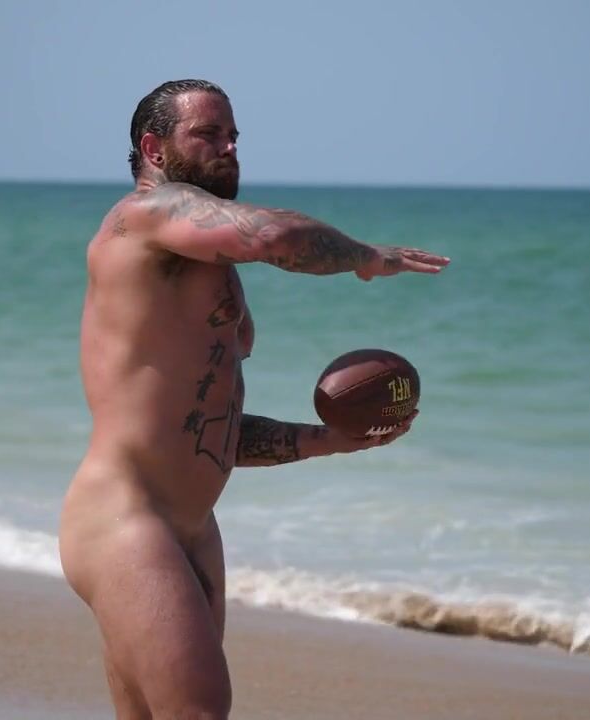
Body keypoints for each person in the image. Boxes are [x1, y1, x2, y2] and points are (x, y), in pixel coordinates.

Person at [57, 78, 450, 720]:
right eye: (207, 134)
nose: (229, 147)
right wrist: (365, 257)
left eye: (234, 135)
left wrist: (327, 440)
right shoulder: (142, 218)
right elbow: (268, 237)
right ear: (153, 149)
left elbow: (207, 429)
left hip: (192, 526)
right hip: (126, 522)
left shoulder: (201, 265)